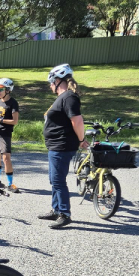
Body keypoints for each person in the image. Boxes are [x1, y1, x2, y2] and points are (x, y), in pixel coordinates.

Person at [38, 64, 88, 229]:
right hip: (55, 146)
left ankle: (65, 214)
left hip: (62, 145)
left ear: (58, 81)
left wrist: (81, 139)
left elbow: (77, 121)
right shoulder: (63, 97)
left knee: (58, 180)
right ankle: (56, 209)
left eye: (51, 82)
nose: (50, 86)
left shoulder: (69, 97)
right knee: (54, 179)